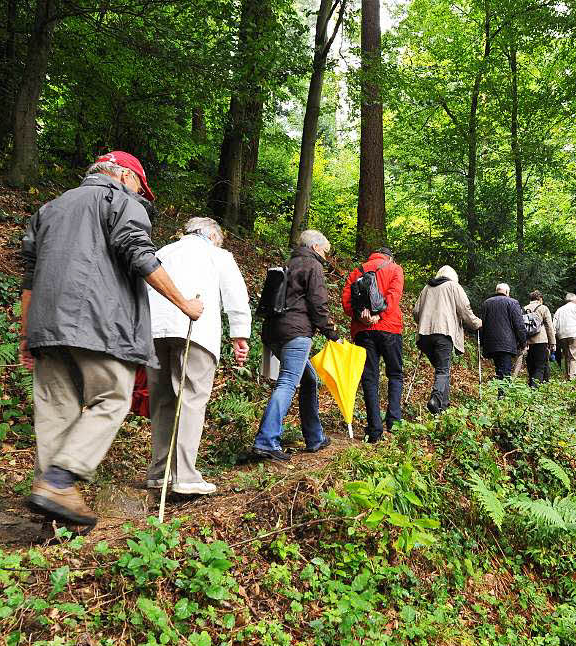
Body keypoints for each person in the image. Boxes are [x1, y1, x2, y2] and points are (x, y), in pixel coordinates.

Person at [20, 151, 204, 526]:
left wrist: (27, 335)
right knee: (113, 395)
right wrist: (184, 303)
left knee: (57, 411)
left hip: (46, 326)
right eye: (140, 185)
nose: (141, 193)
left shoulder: (50, 209)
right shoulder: (118, 200)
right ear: (122, 175)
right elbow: (139, 254)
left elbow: (29, 277)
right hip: (98, 322)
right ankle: (60, 478)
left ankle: (54, 511)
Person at [145, 218, 251, 495]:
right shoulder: (218, 255)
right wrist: (239, 335)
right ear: (212, 236)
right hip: (196, 330)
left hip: (155, 332)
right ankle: (185, 476)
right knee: (191, 399)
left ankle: (159, 473)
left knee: (162, 400)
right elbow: (236, 296)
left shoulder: (163, 252)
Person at [250, 229, 339, 461]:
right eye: (325, 252)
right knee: (289, 381)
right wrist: (332, 334)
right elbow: (318, 304)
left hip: (273, 330)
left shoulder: (288, 263)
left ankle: (315, 437)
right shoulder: (313, 265)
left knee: (309, 379)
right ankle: (266, 441)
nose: (326, 257)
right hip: (295, 332)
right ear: (316, 247)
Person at [341, 247, 405, 444]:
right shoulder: (395, 269)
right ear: (389, 257)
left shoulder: (357, 271)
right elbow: (394, 296)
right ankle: (394, 423)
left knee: (369, 378)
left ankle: (374, 430)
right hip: (390, 329)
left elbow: (346, 301)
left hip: (363, 330)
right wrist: (380, 315)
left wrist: (361, 316)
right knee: (395, 374)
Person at [413, 265, 482, 414]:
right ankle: (435, 399)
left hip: (424, 335)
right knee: (443, 370)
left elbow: (416, 312)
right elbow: (465, 309)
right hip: (443, 333)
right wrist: (477, 323)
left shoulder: (426, 288)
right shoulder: (453, 286)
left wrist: (425, 321)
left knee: (441, 370)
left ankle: (442, 407)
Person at [479, 283, 527, 386]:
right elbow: (519, 324)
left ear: (497, 291)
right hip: (507, 344)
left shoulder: (486, 303)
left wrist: (482, 342)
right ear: (506, 292)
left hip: (491, 343)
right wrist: (523, 342)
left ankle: (501, 395)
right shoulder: (513, 303)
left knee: (499, 369)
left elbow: (481, 324)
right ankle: (503, 397)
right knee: (505, 371)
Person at [523, 291, 555, 385]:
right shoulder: (543, 308)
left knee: (531, 365)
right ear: (540, 299)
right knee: (540, 366)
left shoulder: (524, 308)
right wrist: (552, 342)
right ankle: (536, 387)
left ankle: (531, 384)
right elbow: (549, 326)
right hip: (541, 341)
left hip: (528, 341)